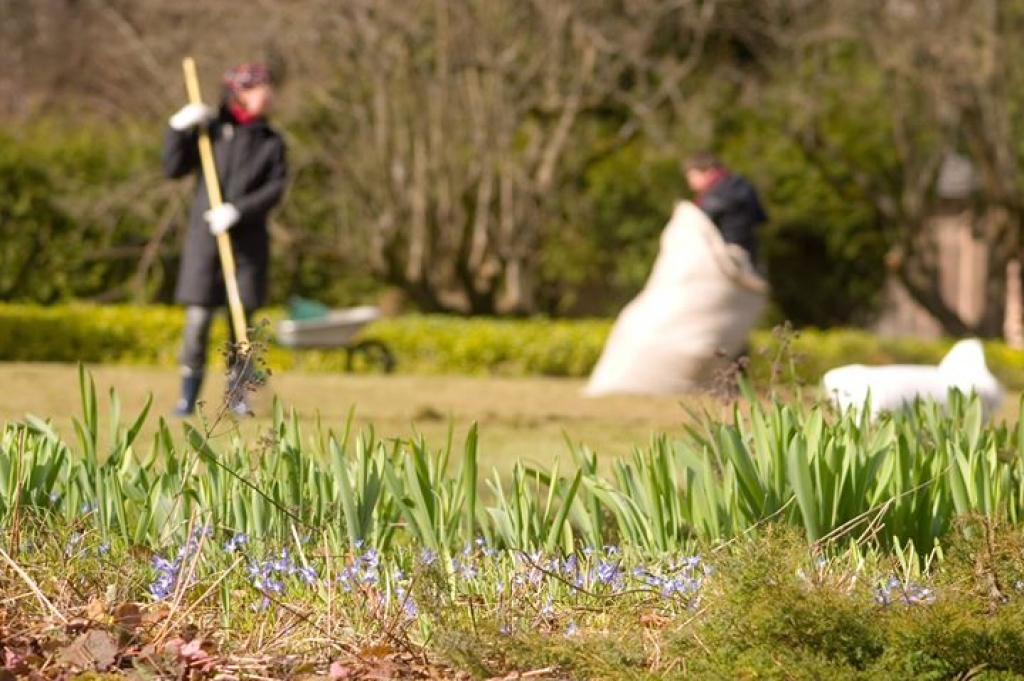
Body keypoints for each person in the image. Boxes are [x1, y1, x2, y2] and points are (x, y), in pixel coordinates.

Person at [161, 62, 288, 416]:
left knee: (240, 322)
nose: (269, 94)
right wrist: (177, 128)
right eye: (261, 88)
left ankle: (238, 397)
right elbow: (172, 167)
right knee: (198, 320)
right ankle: (188, 395)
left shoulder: (271, 142)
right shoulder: (210, 132)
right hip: (205, 245)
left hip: (246, 246)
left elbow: (275, 189)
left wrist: (238, 211)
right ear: (240, 92)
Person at [683, 152, 767, 264]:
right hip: (750, 253)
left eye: (692, 176)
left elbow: (696, 228)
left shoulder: (713, 195)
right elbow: (760, 218)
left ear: (708, 171)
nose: (690, 183)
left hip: (725, 256)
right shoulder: (741, 185)